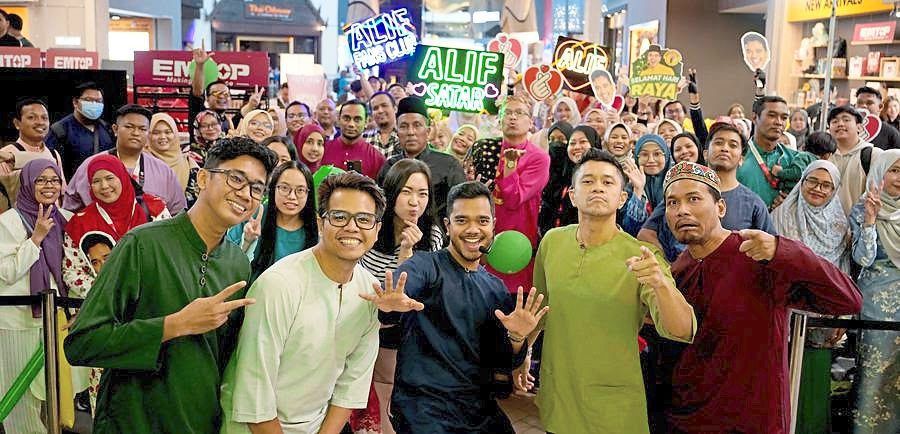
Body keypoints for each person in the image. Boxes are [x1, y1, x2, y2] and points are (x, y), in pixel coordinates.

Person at [65, 138, 277, 433]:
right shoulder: (142, 244)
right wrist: (174, 325)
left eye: (257, 188)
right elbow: (82, 343)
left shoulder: (237, 264)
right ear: (203, 178)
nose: (245, 193)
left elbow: (225, 359)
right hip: (133, 421)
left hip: (199, 420)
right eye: (236, 179)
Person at [661, 161, 862, 434]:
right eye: (672, 202)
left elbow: (847, 299)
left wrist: (784, 252)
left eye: (693, 199)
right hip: (688, 420)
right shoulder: (675, 272)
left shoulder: (757, 255)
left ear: (721, 208)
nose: (682, 210)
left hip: (752, 420)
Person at [524, 148, 695, 433]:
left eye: (607, 182)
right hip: (558, 397)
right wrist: (522, 354)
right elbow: (539, 311)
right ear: (573, 195)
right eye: (588, 181)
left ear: (622, 198)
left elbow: (682, 330)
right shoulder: (552, 242)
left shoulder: (642, 256)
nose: (598, 188)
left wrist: (661, 284)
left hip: (614, 407)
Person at [363, 181, 547, 434]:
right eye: (462, 220)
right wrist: (392, 304)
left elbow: (503, 362)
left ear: (493, 226)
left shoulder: (496, 289)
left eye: (482, 221)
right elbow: (400, 291)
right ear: (448, 226)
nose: (473, 229)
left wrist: (517, 336)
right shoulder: (425, 266)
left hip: (478, 410)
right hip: (423, 407)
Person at [220, 171, 382, 434]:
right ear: (320, 223)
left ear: (377, 230)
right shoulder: (279, 284)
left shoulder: (370, 291)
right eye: (339, 217)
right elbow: (255, 395)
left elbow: (351, 384)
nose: (352, 227)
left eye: (364, 219)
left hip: (317, 424)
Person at [359, 159, 445, 434]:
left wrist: (407, 251)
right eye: (406, 192)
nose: (414, 202)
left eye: (422, 194)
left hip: (404, 332)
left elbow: (407, 298)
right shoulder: (371, 229)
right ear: (391, 192)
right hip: (364, 324)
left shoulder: (431, 235)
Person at [770, 160, 849, 434]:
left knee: (812, 386)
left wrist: (844, 315)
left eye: (826, 185)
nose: (818, 189)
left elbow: (843, 271)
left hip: (821, 319)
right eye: (812, 181)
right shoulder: (779, 216)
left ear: (834, 191)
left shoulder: (840, 225)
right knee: (777, 384)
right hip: (782, 313)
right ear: (801, 182)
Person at [0, 160, 70, 433]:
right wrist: (35, 239)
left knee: (51, 392)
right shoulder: (9, 221)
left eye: (54, 180)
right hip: (17, 320)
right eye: (41, 180)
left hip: (55, 318)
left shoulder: (64, 218)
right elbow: (6, 272)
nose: (48, 186)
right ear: (28, 184)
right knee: (20, 393)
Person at [639, 124, 776, 262]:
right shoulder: (679, 194)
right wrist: (668, 266)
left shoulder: (754, 204)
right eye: (718, 143)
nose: (725, 148)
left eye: (733, 145)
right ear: (705, 154)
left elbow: (770, 250)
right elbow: (646, 233)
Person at [469, 95, 550, 294]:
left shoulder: (539, 158)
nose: (513, 117)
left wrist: (511, 166)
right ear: (499, 120)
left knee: (514, 301)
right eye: (508, 113)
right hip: (482, 241)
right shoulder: (486, 150)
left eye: (519, 113)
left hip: (516, 246)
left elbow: (513, 199)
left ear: (530, 122)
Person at [63, 155, 171, 298]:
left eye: (109, 178)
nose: (104, 186)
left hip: (152, 299)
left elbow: (170, 253)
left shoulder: (154, 208)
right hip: (104, 303)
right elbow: (72, 272)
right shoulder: (80, 223)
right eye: (96, 181)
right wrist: (111, 296)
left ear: (122, 177)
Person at [849, 149, 900, 434]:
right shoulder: (864, 206)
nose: (899, 178)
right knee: (874, 374)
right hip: (876, 306)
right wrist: (870, 221)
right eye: (894, 170)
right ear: (880, 172)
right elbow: (863, 258)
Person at [64, 104, 188, 214]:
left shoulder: (163, 171)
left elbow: (178, 213)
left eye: (142, 129)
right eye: (129, 127)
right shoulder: (92, 165)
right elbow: (70, 210)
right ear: (115, 129)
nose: (136, 133)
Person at [377, 96, 466, 220]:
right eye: (404, 126)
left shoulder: (449, 165)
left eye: (417, 125)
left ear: (428, 132)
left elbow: (461, 208)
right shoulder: (390, 166)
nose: (410, 132)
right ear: (397, 133)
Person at [225, 161, 317, 280]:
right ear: (273, 189)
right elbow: (226, 263)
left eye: (300, 190)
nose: (292, 196)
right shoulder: (255, 215)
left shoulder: (315, 229)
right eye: (284, 188)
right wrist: (247, 241)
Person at [737, 95, 813, 209]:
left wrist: (792, 201)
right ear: (754, 117)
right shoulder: (737, 157)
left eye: (784, 118)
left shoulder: (796, 159)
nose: (779, 122)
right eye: (772, 115)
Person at [45, 82, 114, 179]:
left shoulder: (107, 129)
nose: (94, 104)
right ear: (75, 102)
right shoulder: (60, 130)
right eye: (88, 100)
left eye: (98, 101)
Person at [828, 105, 884, 216]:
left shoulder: (874, 155)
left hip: (861, 223)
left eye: (846, 120)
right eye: (834, 121)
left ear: (859, 127)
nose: (840, 124)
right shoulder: (825, 156)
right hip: (826, 224)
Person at [1, 99, 65, 180]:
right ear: (17, 123)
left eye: (44, 118)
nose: (40, 122)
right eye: (31, 117)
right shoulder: (5, 155)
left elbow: (62, 187)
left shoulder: (54, 155)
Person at [322, 101, 386, 179]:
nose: (351, 124)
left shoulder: (377, 159)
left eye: (357, 120)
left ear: (366, 122)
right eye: (346, 118)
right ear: (338, 119)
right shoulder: (323, 150)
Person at [149, 113, 199, 206]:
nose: (162, 137)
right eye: (156, 133)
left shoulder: (189, 164)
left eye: (168, 132)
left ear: (175, 134)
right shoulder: (141, 163)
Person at [635, 134, 672, 210]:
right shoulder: (629, 186)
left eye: (657, 154)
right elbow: (628, 218)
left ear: (666, 156)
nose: (651, 160)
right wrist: (638, 191)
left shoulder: (677, 184)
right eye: (644, 154)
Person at [856, 85, 900, 150]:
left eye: (869, 103)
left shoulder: (891, 132)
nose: (863, 106)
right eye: (859, 102)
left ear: (880, 107)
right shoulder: (849, 129)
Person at [363, 91, 400, 157]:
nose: (380, 111)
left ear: (395, 109)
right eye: (375, 108)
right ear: (371, 114)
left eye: (384, 106)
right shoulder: (363, 139)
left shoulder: (406, 136)